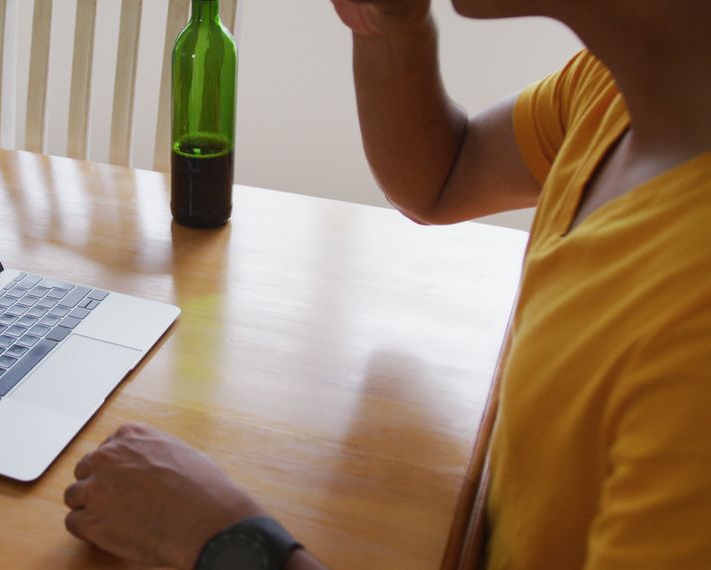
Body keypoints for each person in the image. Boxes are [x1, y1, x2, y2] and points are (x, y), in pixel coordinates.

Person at [63, 0, 711, 567]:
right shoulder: (617, 90)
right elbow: (445, 174)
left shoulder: (693, 323)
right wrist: (388, 25)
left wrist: (223, 540)